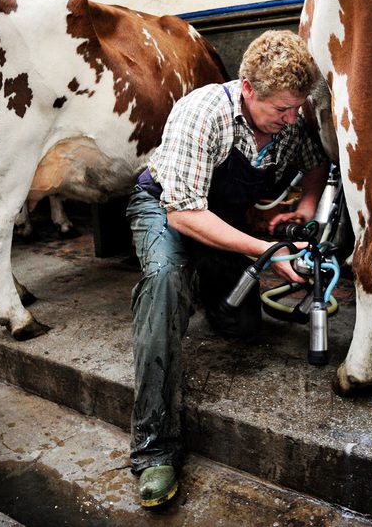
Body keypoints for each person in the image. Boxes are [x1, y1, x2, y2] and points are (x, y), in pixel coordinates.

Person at [126, 30, 329, 507]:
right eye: (281, 109)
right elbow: (184, 212)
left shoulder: (290, 122)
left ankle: (201, 287)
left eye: (297, 108)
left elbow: (317, 164)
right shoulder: (203, 112)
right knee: (164, 283)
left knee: (241, 327)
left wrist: (305, 206)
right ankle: (154, 450)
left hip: (224, 222)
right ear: (248, 90)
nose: (291, 118)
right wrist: (266, 251)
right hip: (167, 209)